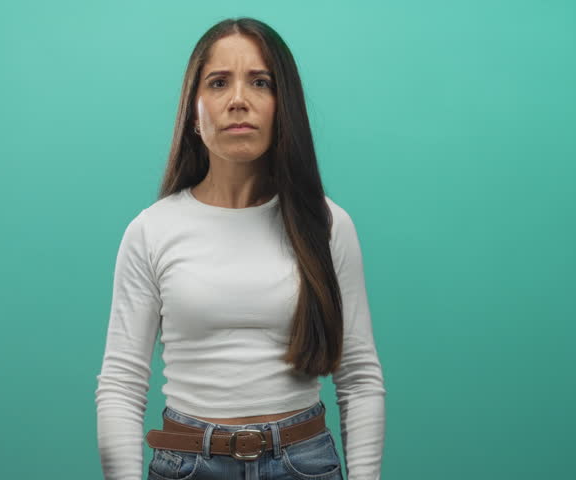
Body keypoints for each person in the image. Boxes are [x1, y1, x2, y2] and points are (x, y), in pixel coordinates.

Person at [95, 17, 386, 480]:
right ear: (193, 113)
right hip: (187, 465)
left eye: (260, 82)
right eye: (218, 82)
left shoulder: (327, 225)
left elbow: (359, 378)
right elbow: (122, 385)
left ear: (283, 106)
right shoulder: (151, 231)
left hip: (303, 464)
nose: (238, 100)